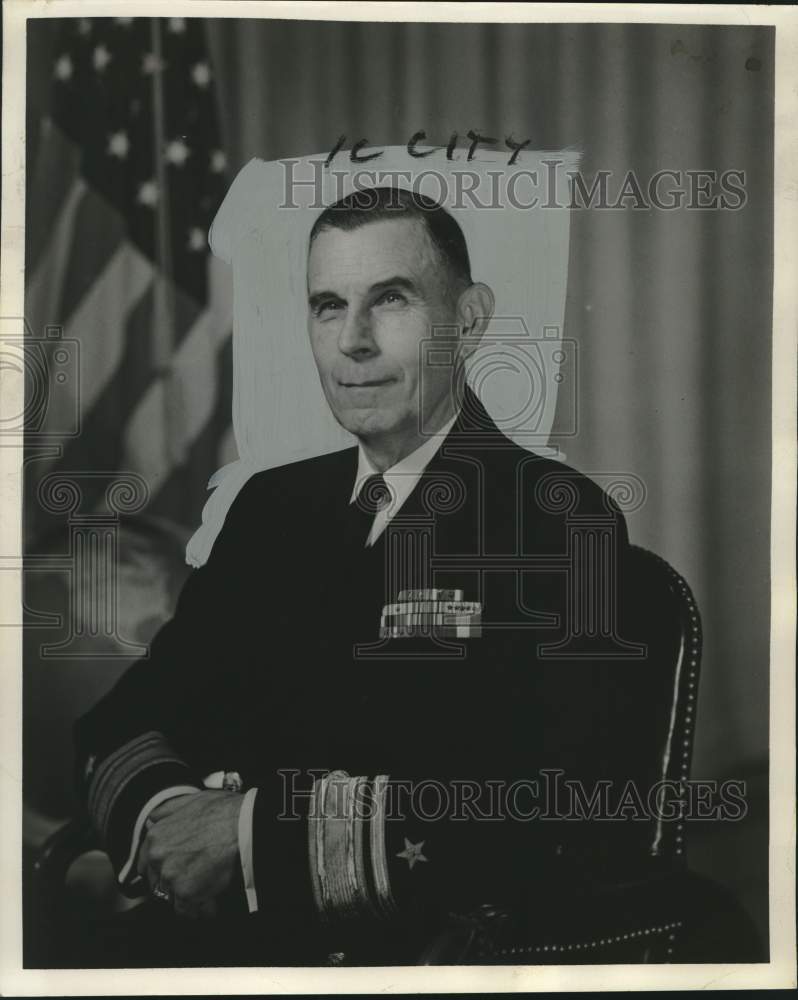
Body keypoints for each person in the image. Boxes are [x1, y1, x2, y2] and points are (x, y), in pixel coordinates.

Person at [74, 187, 663, 967]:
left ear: (471, 320)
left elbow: (559, 807)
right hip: (221, 948)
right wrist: (170, 815)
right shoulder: (270, 507)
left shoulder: (556, 521)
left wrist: (248, 842)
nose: (353, 341)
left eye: (390, 300)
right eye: (327, 305)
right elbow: (131, 717)